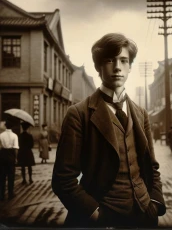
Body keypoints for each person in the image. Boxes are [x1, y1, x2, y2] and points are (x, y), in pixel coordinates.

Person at [52, 33, 166, 228]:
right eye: (109, 60)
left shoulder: (141, 114)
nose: (117, 67)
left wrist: (154, 203)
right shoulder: (79, 114)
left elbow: (151, 167)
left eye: (123, 60)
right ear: (98, 67)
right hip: (103, 219)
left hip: (144, 216)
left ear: (130, 67)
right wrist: (95, 214)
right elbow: (63, 179)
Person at [0, 119, 19, 200]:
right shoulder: (15, 136)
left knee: (2, 175)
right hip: (11, 154)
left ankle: (1, 194)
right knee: (11, 175)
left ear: (6, 126)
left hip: (2, 154)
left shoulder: (1, 135)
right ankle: (10, 193)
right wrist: (16, 158)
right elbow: (16, 148)